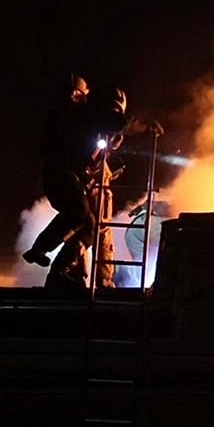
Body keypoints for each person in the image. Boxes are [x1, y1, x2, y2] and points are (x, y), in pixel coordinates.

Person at [41, 86, 130, 293]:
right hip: (84, 176)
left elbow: (109, 142)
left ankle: (73, 277)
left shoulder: (82, 122)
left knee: (92, 226)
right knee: (91, 225)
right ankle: (75, 277)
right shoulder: (88, 120)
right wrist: (138, 125)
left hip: (88, 174)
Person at [22, 75, 93, 269]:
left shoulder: (65, 119)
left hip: (62, 175)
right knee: (78, 212)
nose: (77, 100)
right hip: (62, 174)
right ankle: (44, 254)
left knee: (88, 224)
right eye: (77, 96)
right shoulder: (69, 119)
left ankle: (59, 265)